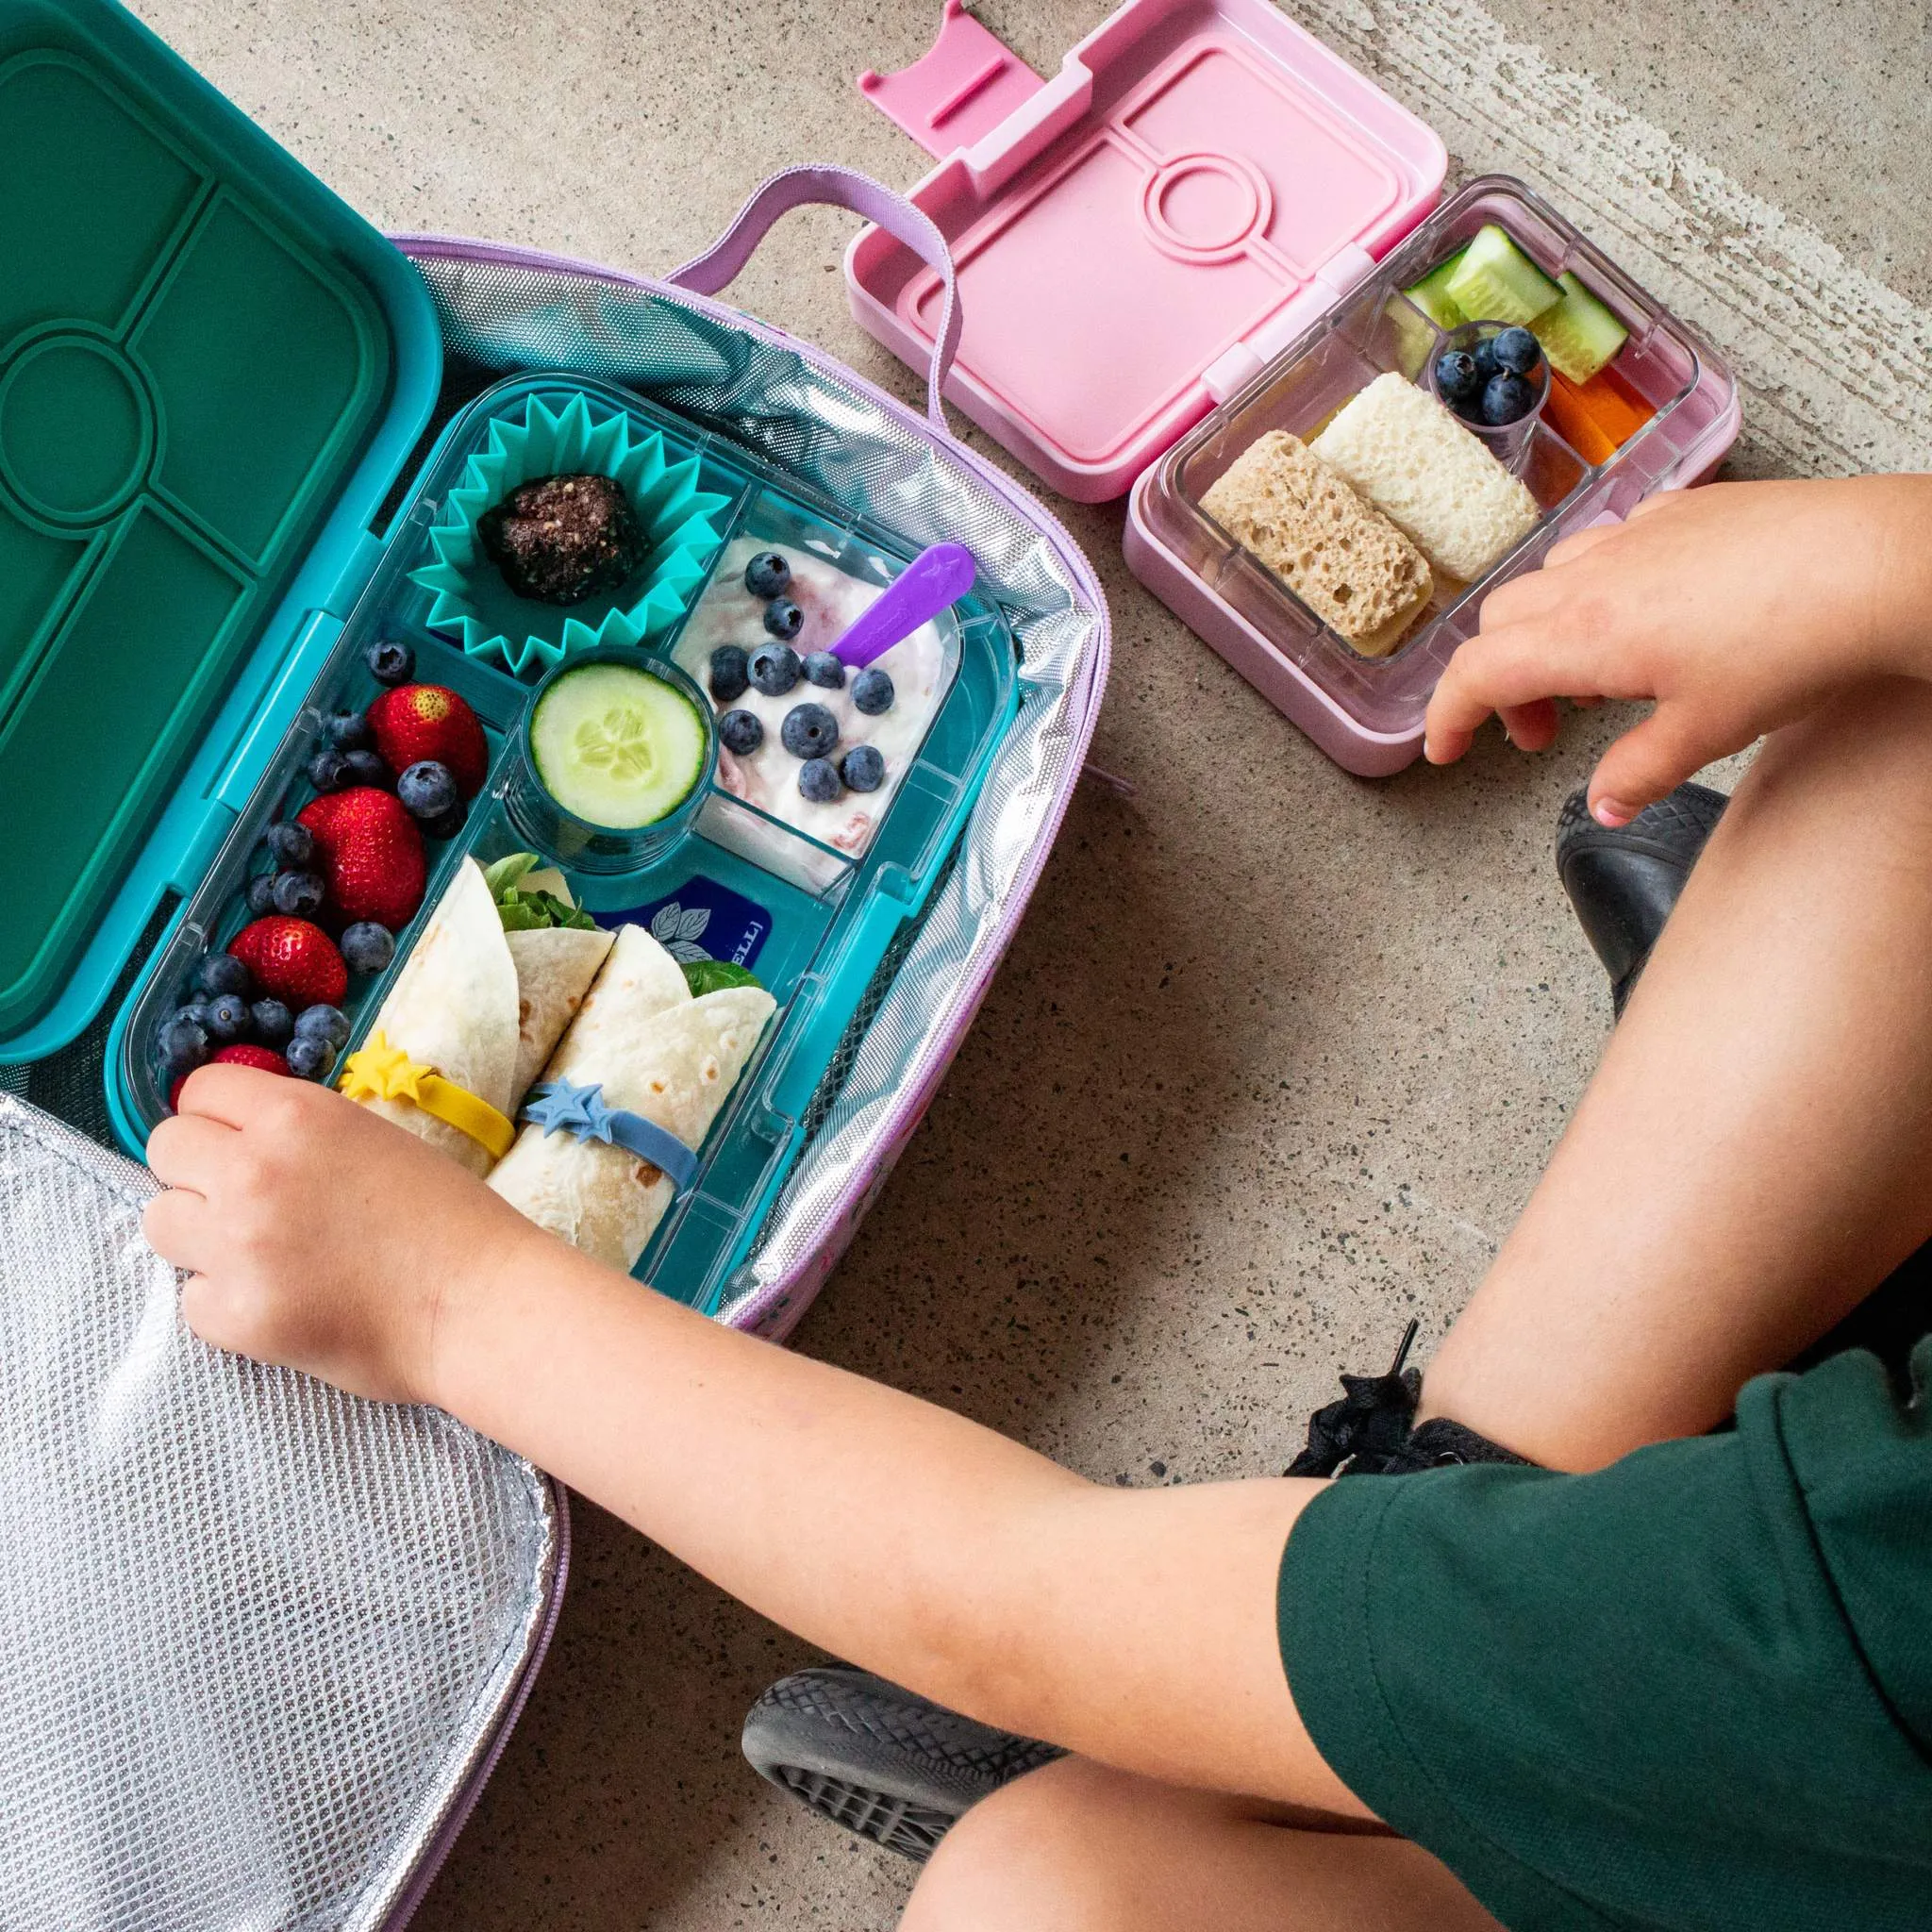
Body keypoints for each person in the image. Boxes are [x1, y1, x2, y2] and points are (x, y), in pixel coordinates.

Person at [143, 475, 1932, 1931]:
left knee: (1041, 1897)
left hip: (1802, 1767)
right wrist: (1879, 553)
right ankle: (1379, 1598)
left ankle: (1306, 1753)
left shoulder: (1858, 1633)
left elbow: (1010, 1604)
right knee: (1896, 720)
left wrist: (445, 1297)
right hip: (1775, 1680)